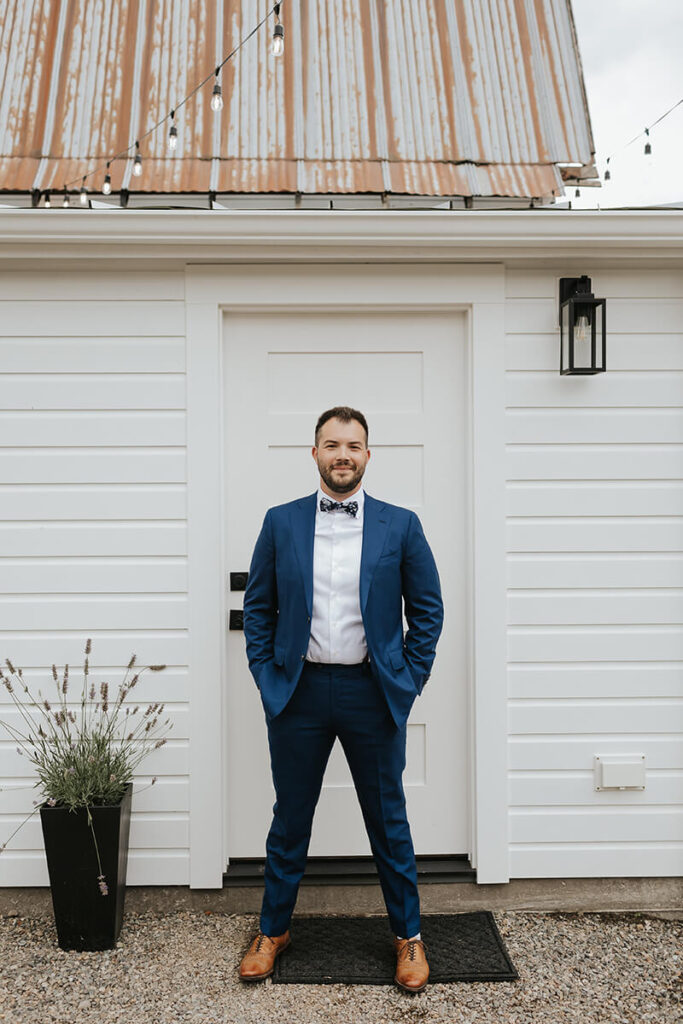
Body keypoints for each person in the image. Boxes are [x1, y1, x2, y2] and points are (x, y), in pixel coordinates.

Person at [238, 405, 443, 993]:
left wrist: (408, 677)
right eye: (332, 445)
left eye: (353, 445)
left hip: (370, 693)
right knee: (290, 819)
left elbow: (427, 610)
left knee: (389, 821)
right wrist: (266, 673)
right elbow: (259, 608)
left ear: (368, 456)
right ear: (315, 454)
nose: (342, 455)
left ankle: (408, 935)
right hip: (298, 693)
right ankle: (272, 931)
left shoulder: (400, 525)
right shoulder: (281, 522)